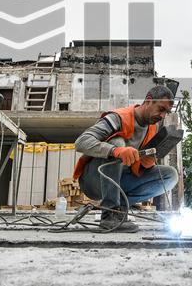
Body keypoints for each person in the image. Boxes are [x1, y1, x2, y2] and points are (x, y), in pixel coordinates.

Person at [72, 85, 179, 232]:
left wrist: (146, 162)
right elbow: (81, 142)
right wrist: (116, 151)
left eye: (166, 112)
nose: (163, 116)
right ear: (149, 100)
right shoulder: (118, 118)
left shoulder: (152, 128)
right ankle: (109, 214)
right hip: (94, 180)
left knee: (170, 175)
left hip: (120, 180)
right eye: (161, 109)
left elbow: (137, 162)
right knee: (117, 142)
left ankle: (119, 207)